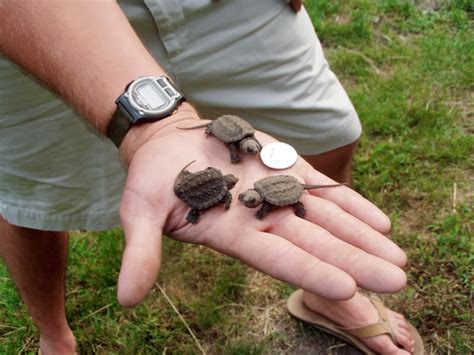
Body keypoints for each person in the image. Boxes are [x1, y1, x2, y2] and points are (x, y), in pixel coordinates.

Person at [0, 0, 421, 354]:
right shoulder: (228, 186)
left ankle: (327, 298)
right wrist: (159, 130)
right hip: (31, 23)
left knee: (329, 133)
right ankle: (54, 335)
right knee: (30, 199)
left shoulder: (243, 183)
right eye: (250, 199)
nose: (243, 192)